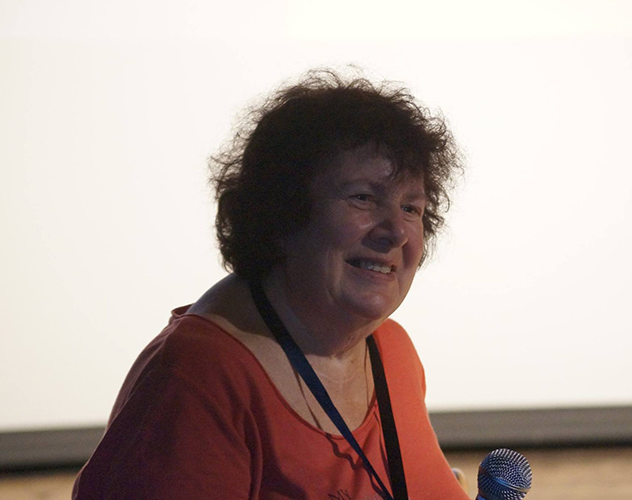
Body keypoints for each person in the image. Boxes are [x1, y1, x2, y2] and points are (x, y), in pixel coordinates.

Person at [72, 69, 468, 499]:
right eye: (363, 198)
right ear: (282, 211)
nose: (396, 232)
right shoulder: (196, 376)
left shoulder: (392, 353)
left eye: (411, 208)